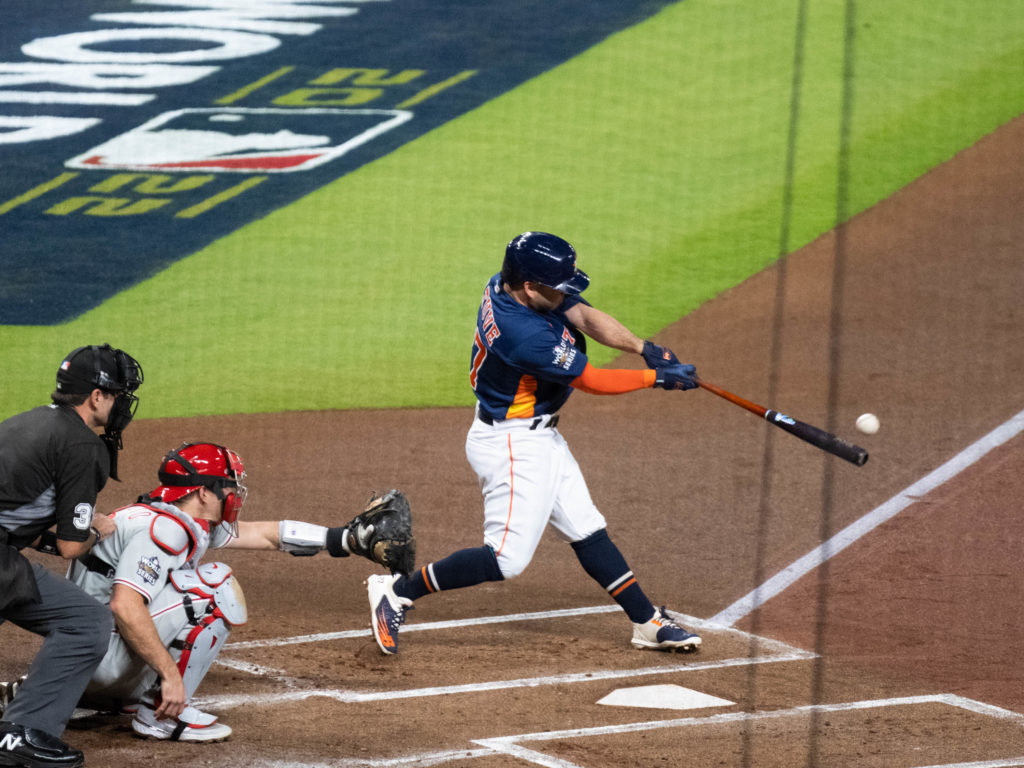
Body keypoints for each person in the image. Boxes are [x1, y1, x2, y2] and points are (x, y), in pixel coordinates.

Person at [367, 231, 702, 657]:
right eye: (557, 286)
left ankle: (646, 623)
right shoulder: (522, 333)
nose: (565, 293)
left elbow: (583, 316)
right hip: (512, 444)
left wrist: (644, 348)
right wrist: (656, 379)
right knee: (505, 559)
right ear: (529, 286)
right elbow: (591, 380)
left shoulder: (510, 284)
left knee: (586, 529)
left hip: (537, 437)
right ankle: (397, 592)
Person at [63, 441, 409, 743]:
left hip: (81, 662)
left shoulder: (179, 518)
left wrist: (344, 540)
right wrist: (169, 674)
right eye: (229, 486)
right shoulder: (164, 530)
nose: (235, 494)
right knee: (215, 587)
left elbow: (263, 534)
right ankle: (162, 715)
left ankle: (124, 693)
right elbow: (125, 606)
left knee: (179, 587)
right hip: (100, 663)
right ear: (203, 492)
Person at [0, 344, 143, 768]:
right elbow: (71, 548)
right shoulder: (81, 445)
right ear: (96, 396)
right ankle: (23, 732)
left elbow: (16, 515)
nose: (122, 405)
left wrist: (56, 531)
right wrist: (95, 528)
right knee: (85, 621)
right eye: (117, 395)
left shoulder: (27, 422)